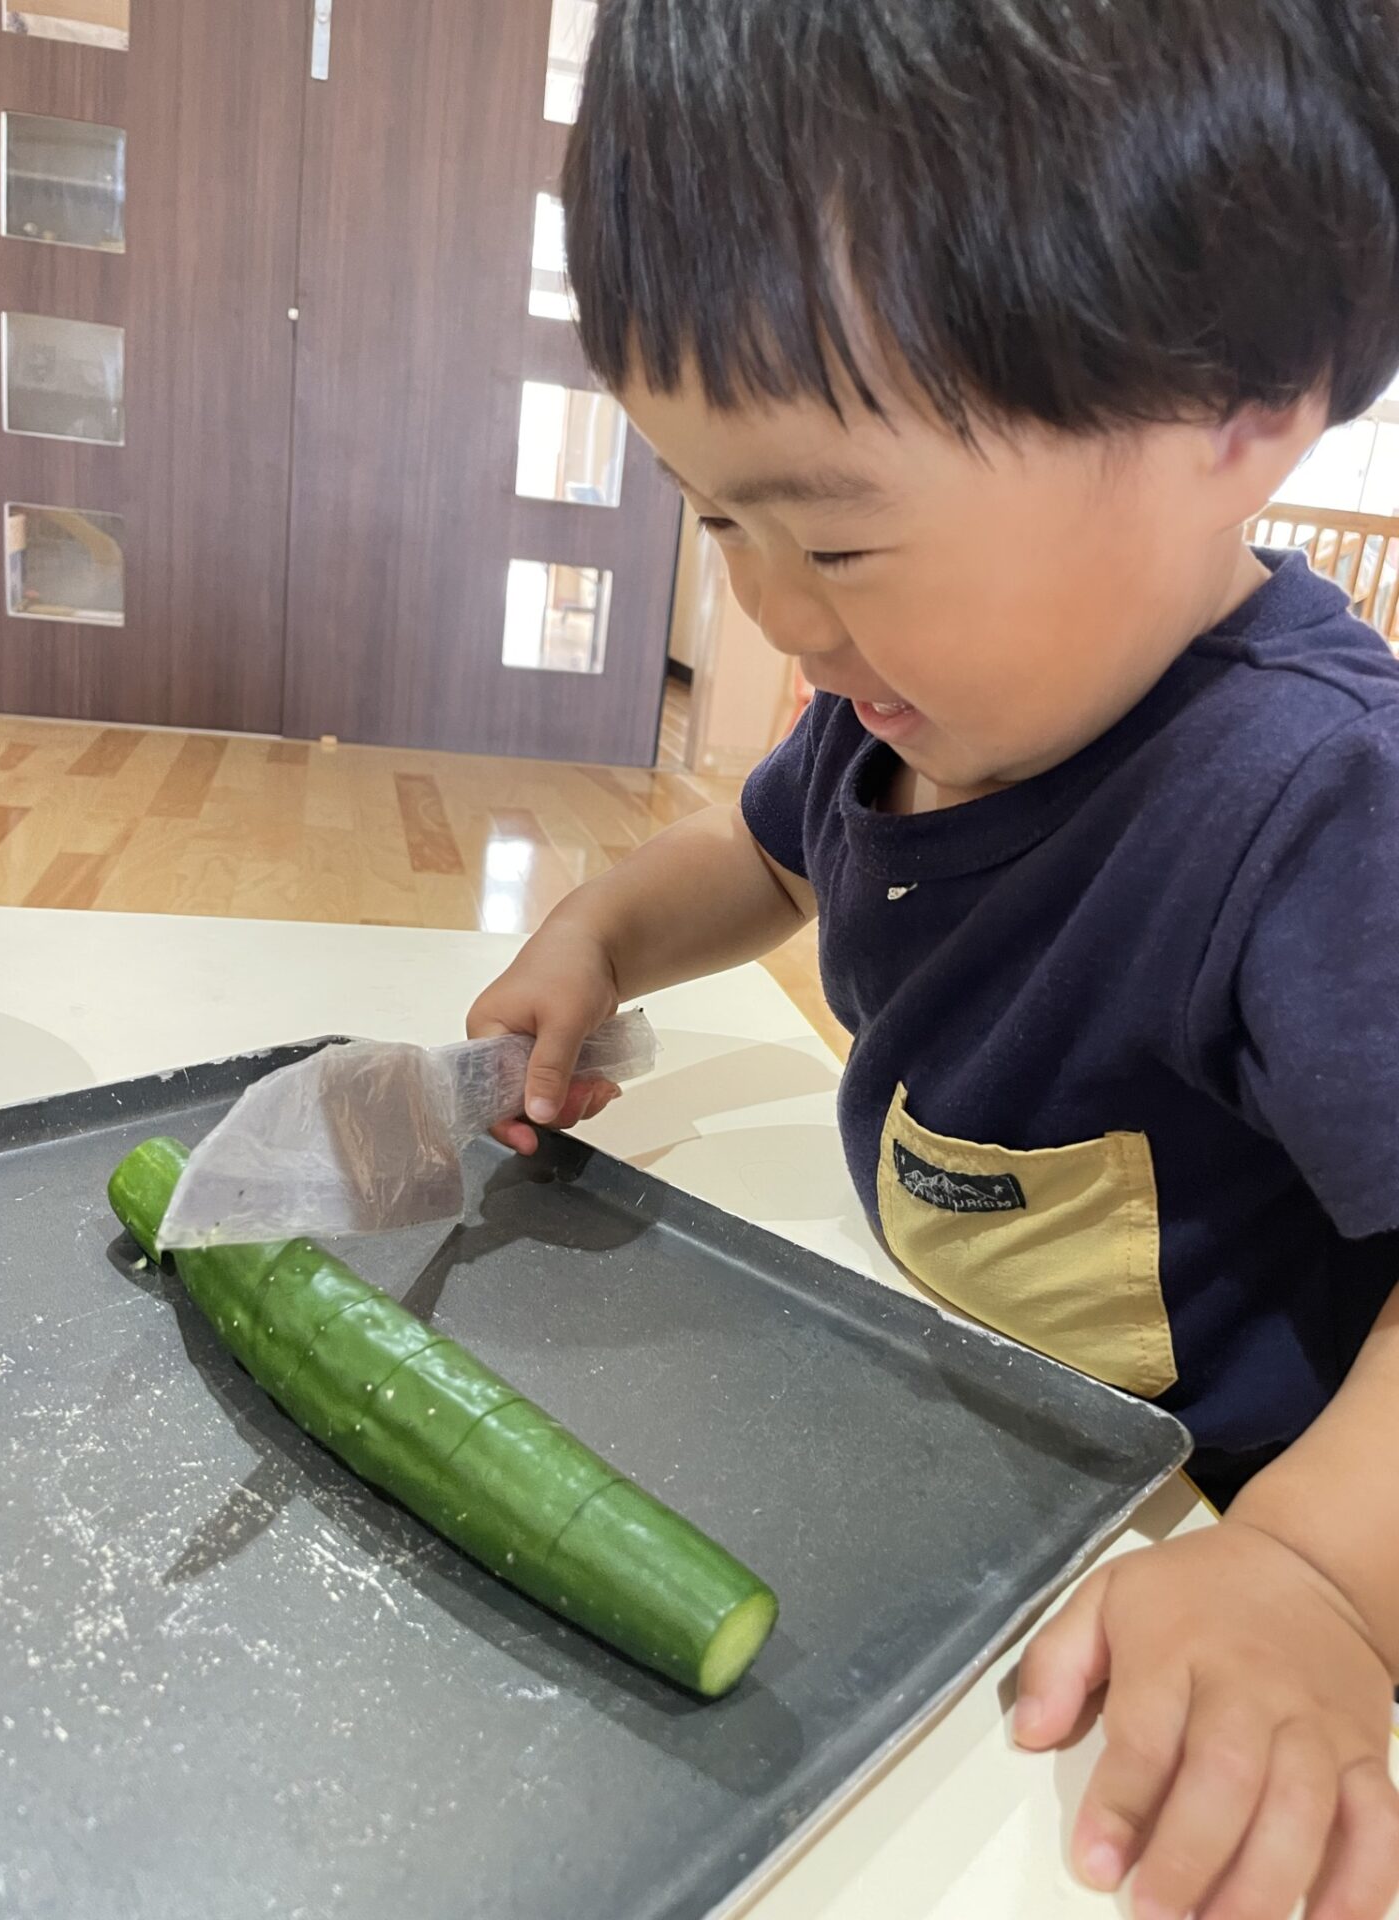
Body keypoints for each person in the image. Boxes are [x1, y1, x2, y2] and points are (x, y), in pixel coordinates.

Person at [468, 2, 1399, 1912]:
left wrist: (1318, 1576)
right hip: (978, 1440)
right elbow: (759, 852)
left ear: (1241, 409)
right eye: (717, 514)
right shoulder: (896, 722)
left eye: (834, 539)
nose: (771, 612)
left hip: (1232, 1559)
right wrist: (601, 934)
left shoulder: (1321, 806)